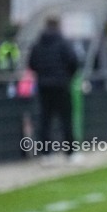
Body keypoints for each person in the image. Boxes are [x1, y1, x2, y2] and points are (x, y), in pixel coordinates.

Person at [28, 16, 79, 160]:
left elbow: (32, 63)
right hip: (62, 85)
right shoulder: (63, 43)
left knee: (45, 120)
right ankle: (70, 153)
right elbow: (73, 61)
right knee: (66, 119)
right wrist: (67, 77)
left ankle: (46, 153)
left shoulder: (38, 44)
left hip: (44, 86)